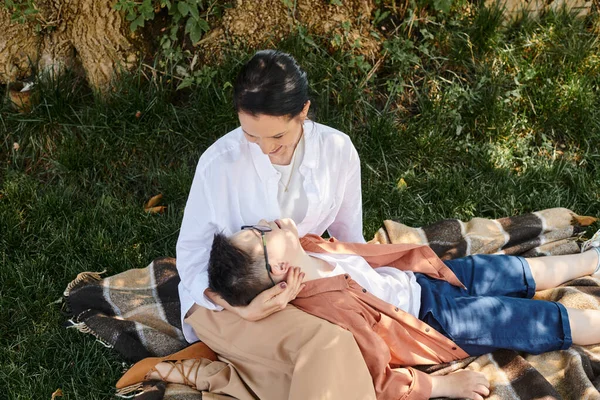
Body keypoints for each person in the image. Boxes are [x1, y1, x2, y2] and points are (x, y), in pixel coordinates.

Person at [201, 218, 600, 400]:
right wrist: (441, 386)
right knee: (529, 319)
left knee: (510, 268)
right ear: (279, 268)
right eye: (259, 234)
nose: (263, 224)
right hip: (434, 322)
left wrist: (234, 303)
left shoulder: (307, 247)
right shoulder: (330, 311)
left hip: (422, 279)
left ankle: (590, 259)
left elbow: (223, 291)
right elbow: (377, 377)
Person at [175, 49, 375, 399]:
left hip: (300, 290)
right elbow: (191, 258)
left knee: (362, 345)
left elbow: (348, 237)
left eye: (277, 137)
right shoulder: (218, 164)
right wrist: (240, 308)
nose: (265, 149)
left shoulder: (337, 151)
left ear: (303, 112)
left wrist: (370, 293)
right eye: (251, 136)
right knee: (328, 345)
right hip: (224, 301)